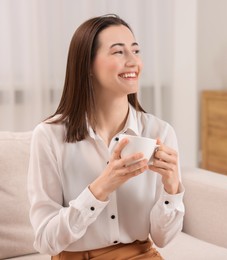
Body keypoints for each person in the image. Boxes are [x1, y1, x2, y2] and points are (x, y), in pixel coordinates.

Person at [27, 14, 184, 260]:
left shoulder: (160, 133)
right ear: (87, 65)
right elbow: (46, 240)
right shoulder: (49, 136)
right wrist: (102, 187)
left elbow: (163, 239)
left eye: (135, 51)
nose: (134, 61)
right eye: (118, 52)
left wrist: (172, 188)